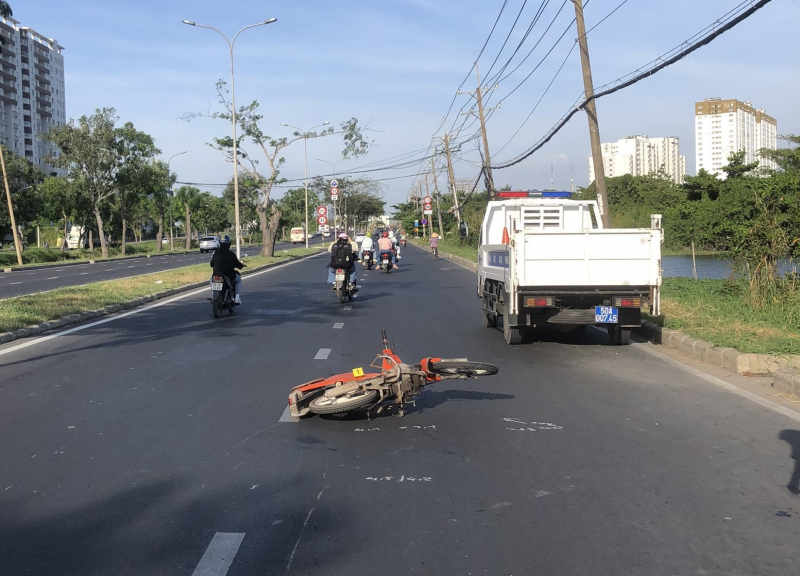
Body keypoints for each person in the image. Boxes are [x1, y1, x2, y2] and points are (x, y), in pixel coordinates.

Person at [210, 234, 245, 304]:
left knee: (211, 279)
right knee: (238, 280)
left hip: (216, 274)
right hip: (229, 275)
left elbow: (211, 264)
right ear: (229, 244)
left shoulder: (216, 253)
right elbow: (238, 265)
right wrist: (242, 265)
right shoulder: (231, 254)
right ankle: (237, 298)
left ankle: (213, 294)